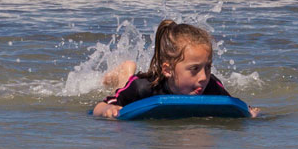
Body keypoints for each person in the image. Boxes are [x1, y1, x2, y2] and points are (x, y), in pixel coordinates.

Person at [92, 20, 258, 118]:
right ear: (167, 70)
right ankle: (125, 71)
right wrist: (109, 109)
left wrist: (250, 112)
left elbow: (234, 106)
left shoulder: (212, 85)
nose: (203, 77)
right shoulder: (142, 87)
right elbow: (98, 108)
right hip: (135, 85)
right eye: (194, 69)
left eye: (207, 67)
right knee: (122, 86)